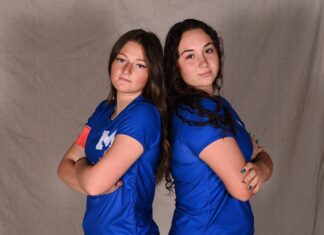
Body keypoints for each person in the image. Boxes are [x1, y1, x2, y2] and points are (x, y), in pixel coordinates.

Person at [164, 19, 273, 234]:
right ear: (175, 67)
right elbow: (243, 188)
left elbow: (261, 154)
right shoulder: (195, 113)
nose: (203, 62)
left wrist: (261, 167)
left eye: (208, 50)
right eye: (190, 56)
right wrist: (259, 162)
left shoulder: (219, 106)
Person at [57, 29, 171, 235]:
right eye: (121, 60)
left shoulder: (144, 115)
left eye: (139, 65)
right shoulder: (103, 110)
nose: (127, 70)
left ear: (151, 74)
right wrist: (91, 180)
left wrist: (83, 165)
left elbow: (89, 180)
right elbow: (63, 168)